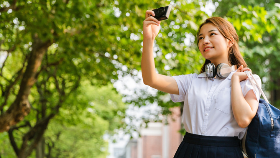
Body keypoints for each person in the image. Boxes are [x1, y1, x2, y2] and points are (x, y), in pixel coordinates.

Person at [142, 10, 261, 158]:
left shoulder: (248, 80)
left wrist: (235, 80)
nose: (205, 40)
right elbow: (150, 79)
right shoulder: (192, 81)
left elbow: (243, 120)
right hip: (188, 151)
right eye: (200, 37)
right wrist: (149, 38)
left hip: (226, 153)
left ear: (229, 41)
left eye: (212, 34)